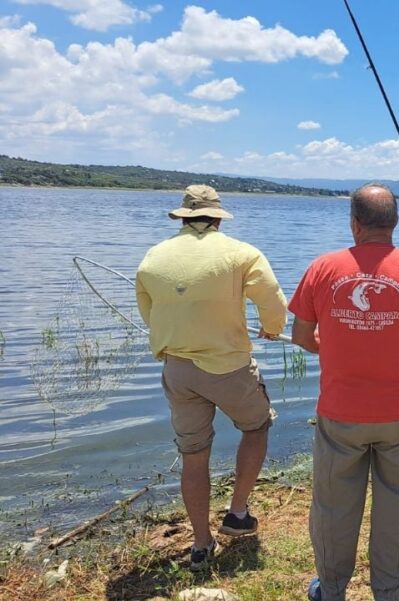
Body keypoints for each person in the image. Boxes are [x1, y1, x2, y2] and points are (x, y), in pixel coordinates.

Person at [290, 183, 399, 601]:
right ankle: (388, 590)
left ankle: (331, 590)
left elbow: (301, 336)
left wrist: (335, 347)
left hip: (340, 414)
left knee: (333, 505)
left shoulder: (323, 267)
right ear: (394, 223)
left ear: (355, 225)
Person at [135, 185, 288, 570]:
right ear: (218, 218)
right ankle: (237, 514)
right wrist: (272, 328)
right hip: (228, 367)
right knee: (256, 426)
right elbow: (272, 299)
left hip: (178, 369)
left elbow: (148, 312)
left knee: (193, 454)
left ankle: (201, 544)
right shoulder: (242, 253)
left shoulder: (154, 256)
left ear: (183, 217)